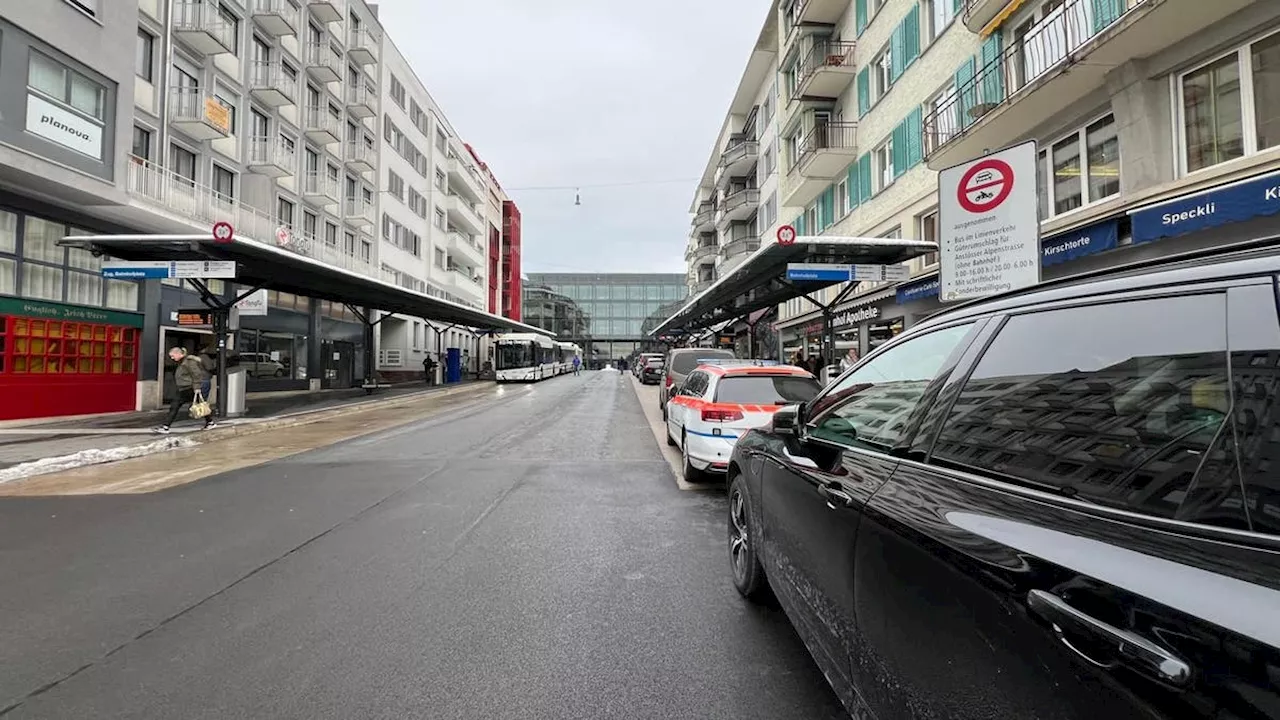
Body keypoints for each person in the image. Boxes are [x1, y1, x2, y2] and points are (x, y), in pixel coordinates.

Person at [154, 347, 216, 434]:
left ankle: (165, 426)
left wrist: (197, 387)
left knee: (175, 406)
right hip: (184, 388)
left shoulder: (189, 361)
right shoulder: (182, 361)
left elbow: (197, 374)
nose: (172, 358)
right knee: (199, 405)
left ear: (179, 354)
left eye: (172, 356)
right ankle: (210, 422)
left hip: (189, 388)